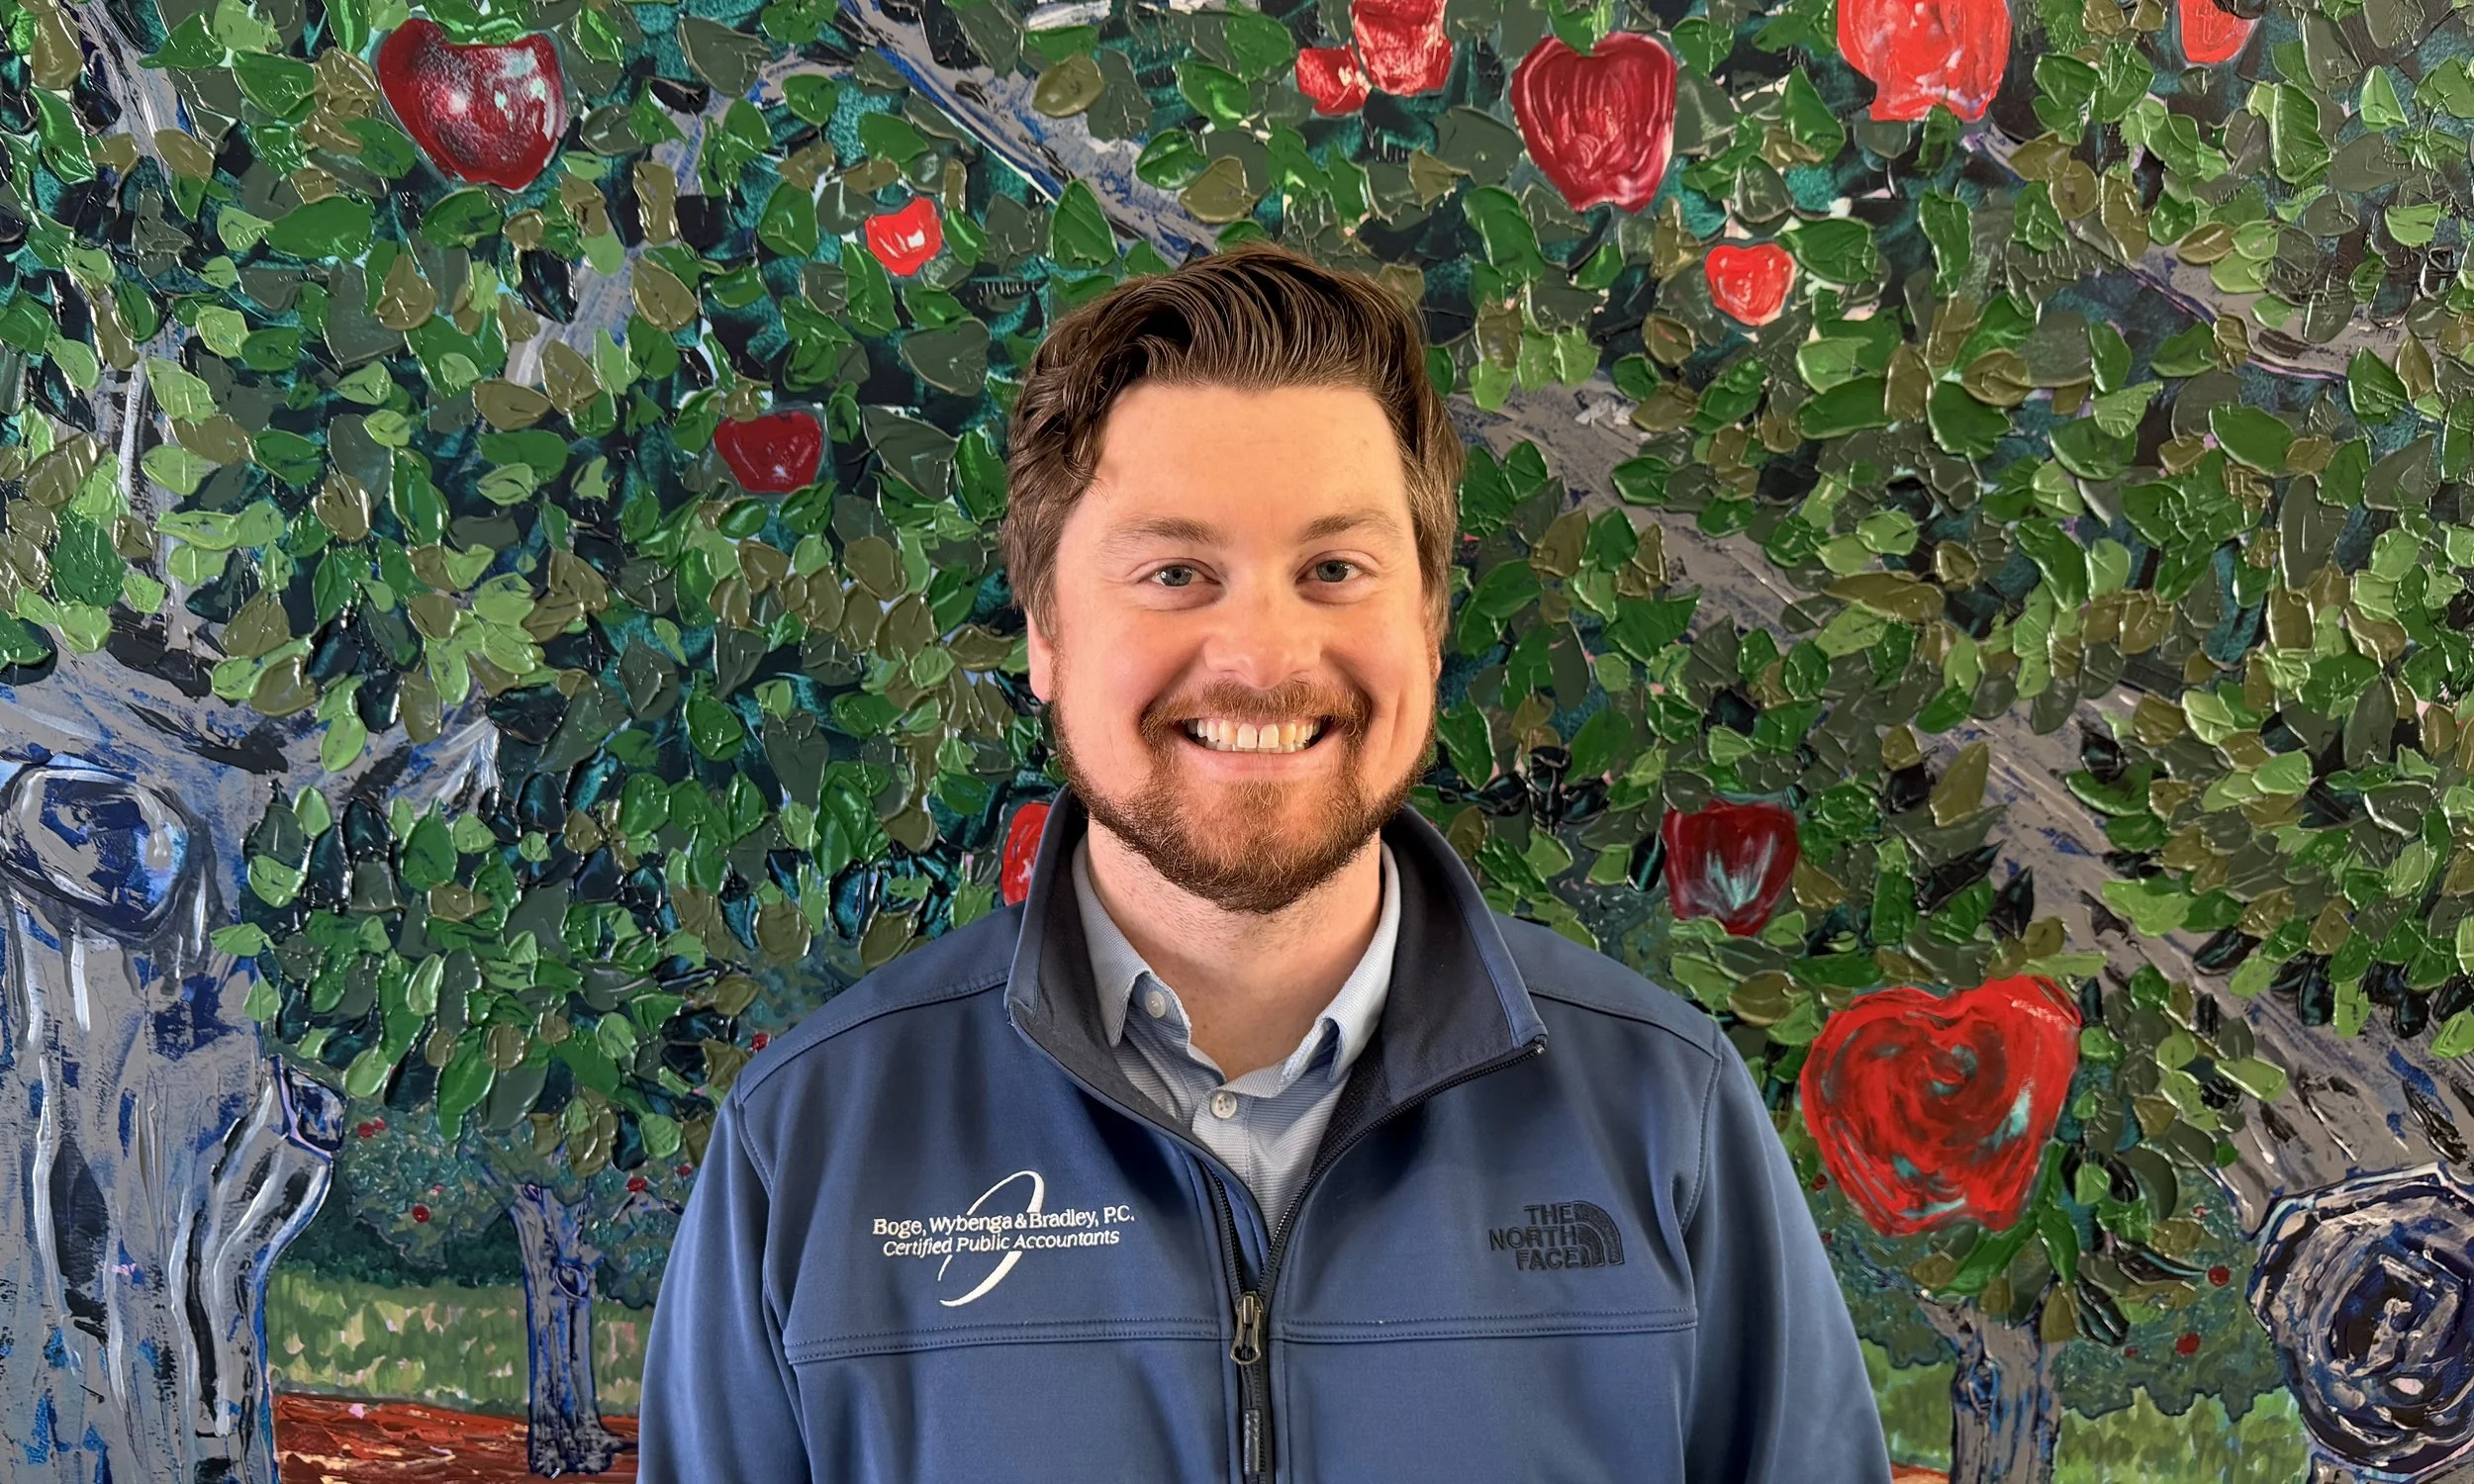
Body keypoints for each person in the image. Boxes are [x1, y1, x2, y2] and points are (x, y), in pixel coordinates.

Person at [638, 243, 1893, 1482]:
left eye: (1334, 569)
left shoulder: (1666, 1114)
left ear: (1430, 622)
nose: (1261, 656)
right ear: (1045, 633)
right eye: (1176, 572)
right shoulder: (804, 1147)